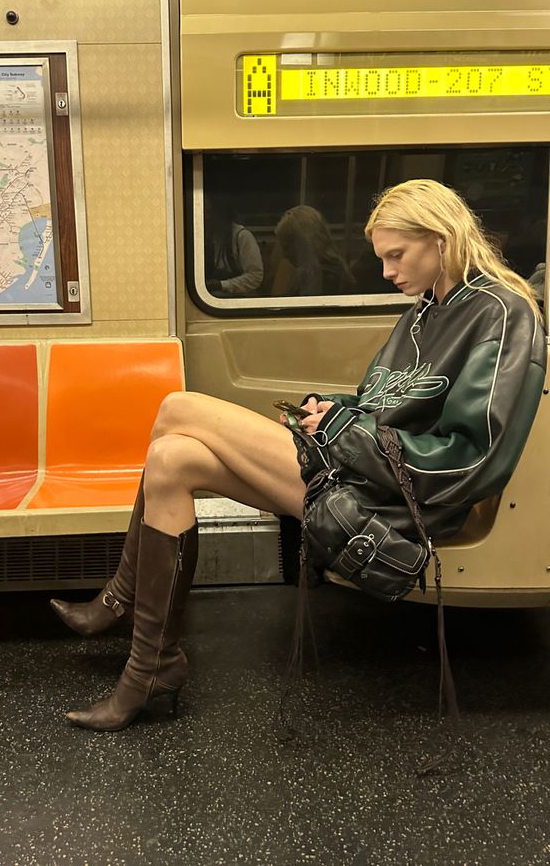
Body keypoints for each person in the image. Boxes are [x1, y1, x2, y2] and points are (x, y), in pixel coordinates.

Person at [51, 178, 546, 732]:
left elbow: (467, 459)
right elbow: (382, 402)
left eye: (396, 255)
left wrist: (341, 431)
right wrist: (332, 410)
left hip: (404, 499)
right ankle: (152, 666)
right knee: (171, 459)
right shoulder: (426, 309)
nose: (387, 272)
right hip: (364, 472)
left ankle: (120, 599)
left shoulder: (502, 314)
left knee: (176, 407)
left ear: (441, 237)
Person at [273, 204, 355, 296]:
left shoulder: (329, 279)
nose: (285, 255)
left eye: (287, 247)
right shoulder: (306, 273)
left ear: (304, 243)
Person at [204, 199, 264, 296]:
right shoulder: (210, 238)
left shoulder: (242, 236)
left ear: (222, 215)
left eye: (209, 213)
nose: (206, 218)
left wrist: (221, 285)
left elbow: (255, 277)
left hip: (244, 295)